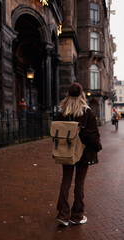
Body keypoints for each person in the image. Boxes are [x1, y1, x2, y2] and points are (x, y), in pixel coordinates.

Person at [55, 82, 102, 226]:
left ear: (68, 95)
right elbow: (92, 136)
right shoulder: (87, 112)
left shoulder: (62, 112)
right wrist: (98, 147)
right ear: (82, 95)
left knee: (66, 179)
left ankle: (63, 215)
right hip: (83, 153)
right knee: (79, 182)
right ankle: (77, 216)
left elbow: (55, 134)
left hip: (66, 151)